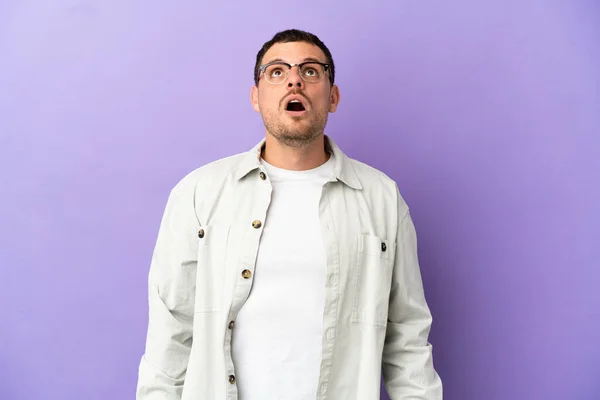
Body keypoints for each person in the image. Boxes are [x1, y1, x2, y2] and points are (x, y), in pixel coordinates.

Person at [136, 29, 442, 400]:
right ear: (256, 96)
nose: (294, 79)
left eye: (311, 71)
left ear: (333, 97)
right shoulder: (199, 194)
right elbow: (171, 332)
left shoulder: (382, 198)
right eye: (276, 72)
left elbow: (407, 339)